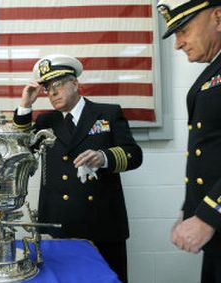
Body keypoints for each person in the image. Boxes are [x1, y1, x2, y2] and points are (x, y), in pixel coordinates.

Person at [13, 54, 143, 283]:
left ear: (75, 83)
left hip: (102, 223)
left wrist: (103, 157)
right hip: (60, 223)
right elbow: (20, 152)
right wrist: (25, 106)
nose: (52, 93)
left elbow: (134, 154)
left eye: (58, 84)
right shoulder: (46, 121)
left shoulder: (107, 114)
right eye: (47, 88)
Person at [157, 1, 221, 282]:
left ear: (218, 17)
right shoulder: (213, 72)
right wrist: (191, 207)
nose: (178, 44)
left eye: (183, 30)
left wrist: (209, 214)